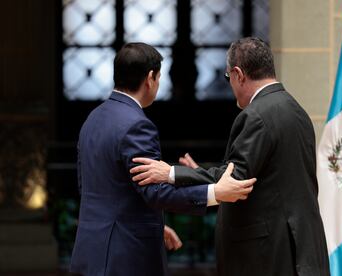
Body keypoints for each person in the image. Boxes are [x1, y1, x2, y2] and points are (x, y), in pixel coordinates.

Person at [130, 37, 330, 276]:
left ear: (238, 74)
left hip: (268, 255)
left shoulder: (256, 115)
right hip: (299, 247)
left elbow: (235, 180)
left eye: (228, 78)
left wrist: (170, 173)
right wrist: (201, 172)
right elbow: (264, 174)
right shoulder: (296, 110)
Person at [70, 42, 256, 276]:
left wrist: (152, 224)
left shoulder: (93, 118)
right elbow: (155, 191)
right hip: (124, 255)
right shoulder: (137, 125)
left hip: (90, 249)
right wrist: (215, 192)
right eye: (159, 77)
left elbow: (92, 185)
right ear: (150, 78)